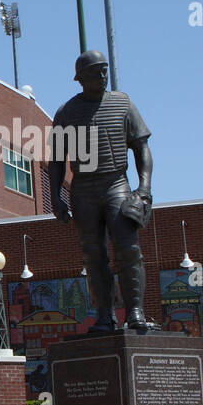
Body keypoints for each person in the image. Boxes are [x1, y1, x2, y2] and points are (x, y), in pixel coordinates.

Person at [47, 51, 160, 333]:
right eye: (96, 71)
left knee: (128, 249)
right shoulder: (67, 112)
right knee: (93, 254)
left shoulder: (122, 103)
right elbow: (57, 160)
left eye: (104, 70)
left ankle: (134, 311)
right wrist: (56, 198)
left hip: (115, 183)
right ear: (80, 78)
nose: (102, 76)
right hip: (83, 188)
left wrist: (144, 187)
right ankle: (104, 315)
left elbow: (141, 147)